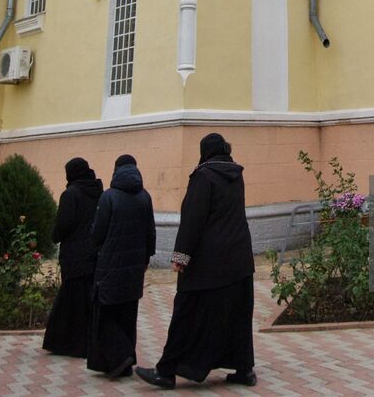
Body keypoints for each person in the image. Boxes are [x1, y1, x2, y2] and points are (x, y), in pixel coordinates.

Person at [137, 133, 256, 390]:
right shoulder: (236, 175)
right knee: (236, 315)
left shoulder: (204, 177)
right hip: (240, 259)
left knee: (188, 314)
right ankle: (244, 369)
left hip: (209, 264)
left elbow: (193, 220)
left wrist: (181, 256)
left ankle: (166, 372)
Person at [88, 154, 156, 379]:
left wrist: (94, 248)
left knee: (106, 312)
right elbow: (150, 232)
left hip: (109, 265)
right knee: (128, 314)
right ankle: (124, 363)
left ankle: (121, 356)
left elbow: (98, 233)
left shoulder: (109, 197)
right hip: (135, 267)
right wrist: (146, 259)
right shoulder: (145, 197)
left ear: (116, 170)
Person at [43, 156, 104, 358]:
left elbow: (63, 224)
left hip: (74, 254)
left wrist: (54, 236)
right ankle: (89, 342)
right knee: (86, 299)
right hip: (94, 252)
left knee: (71, 300)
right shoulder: (98, 193)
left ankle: (69, 343)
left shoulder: (71, 194)